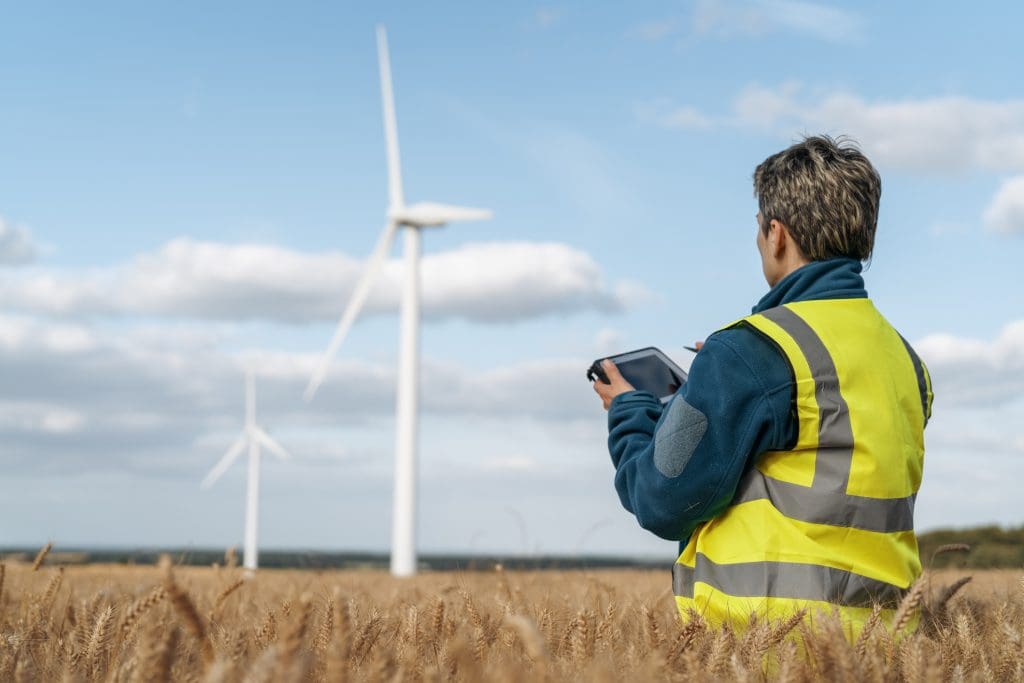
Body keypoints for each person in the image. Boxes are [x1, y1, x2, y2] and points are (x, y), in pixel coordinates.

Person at [592, 135, 932, 636]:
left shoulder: (750, 351)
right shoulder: (905, 358)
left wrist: (629, 410)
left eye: (758, 229)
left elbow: (661, 499)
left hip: (773, 646)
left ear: (776, 234)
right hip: (892, 645)